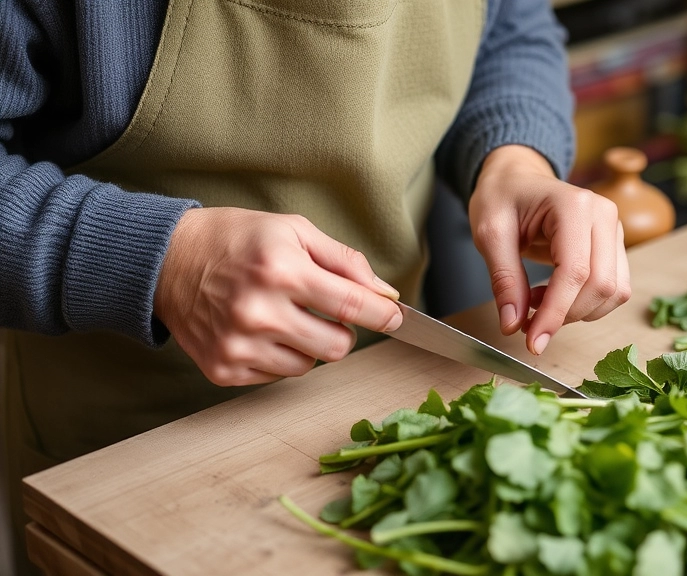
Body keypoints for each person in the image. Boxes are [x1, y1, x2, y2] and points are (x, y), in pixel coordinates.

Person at [0, 0, 631, 572]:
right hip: (132, 460)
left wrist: (515, 158)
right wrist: (167, 262)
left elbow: (510, 27)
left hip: (390, 404)